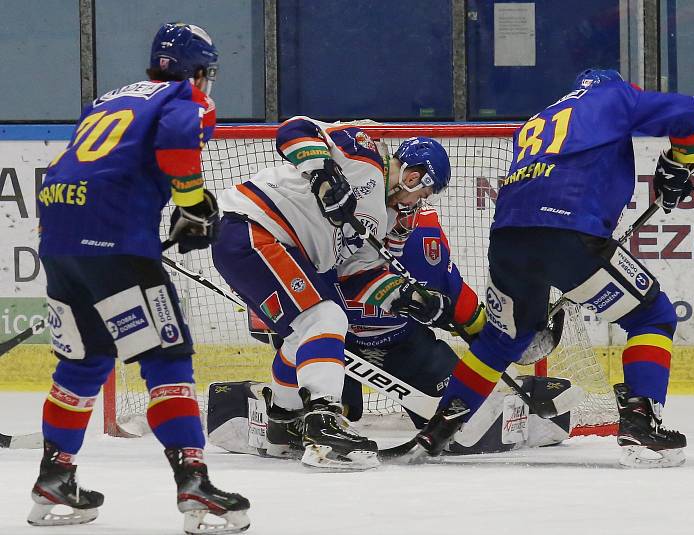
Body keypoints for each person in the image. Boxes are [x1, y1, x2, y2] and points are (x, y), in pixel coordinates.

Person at [414, 68, 694, 468]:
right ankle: (641, 423)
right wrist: (679, 163)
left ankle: (441, 427)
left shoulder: (539, 120)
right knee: (651, 316)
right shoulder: (614, 96)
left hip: (507, 239)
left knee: (502, 340)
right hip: (568, 232)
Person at [31, 23, 250, 533]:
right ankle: (194, 481)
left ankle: (55, 475)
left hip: (59, 238)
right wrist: (194, 205)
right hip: (115, 243)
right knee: (166, 356)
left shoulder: (107, 101)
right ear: (198, 70)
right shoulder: (184, 96)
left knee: (85, 360)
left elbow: (83, 164)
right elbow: (177, 142)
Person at [211, 121, 451, 470]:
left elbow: (359, 277)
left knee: (302, 335)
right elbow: (296, 129)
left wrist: (407, 297)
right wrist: (323, 174)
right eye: (423, 195)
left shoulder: (381, 222)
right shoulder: (366, 155)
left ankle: (283, 425)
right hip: (254, 227)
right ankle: (322, 424)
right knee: (325, 318)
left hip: (276, 247)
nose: (418, 203)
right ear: (414, 178)